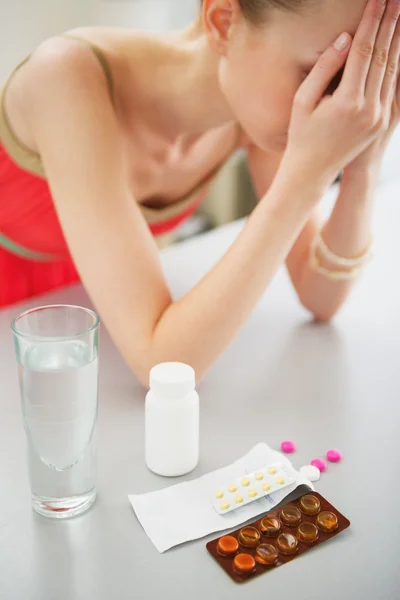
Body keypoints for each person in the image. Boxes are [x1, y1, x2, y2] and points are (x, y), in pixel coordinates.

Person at [1, 0, 399, 385]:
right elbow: (161, 365)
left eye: (360, 80)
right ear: (223, 20)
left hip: (92, 305)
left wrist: (365, 159)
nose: (347, 109)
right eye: (322, 74)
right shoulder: (63, 77)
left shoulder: (255, 113)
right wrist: (308, 177)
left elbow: (321, 295)